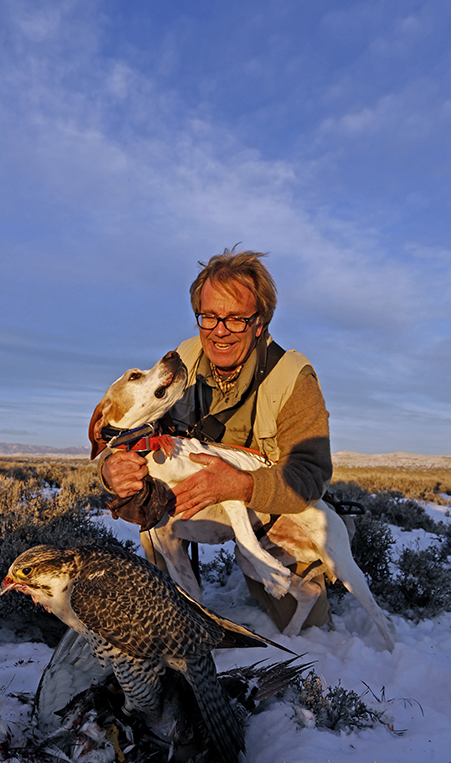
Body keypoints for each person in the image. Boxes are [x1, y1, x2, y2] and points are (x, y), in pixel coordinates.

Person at [99, 248, 333, 631]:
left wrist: (241, 484)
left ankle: (308, 559)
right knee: (151, 519)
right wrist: (113, 471)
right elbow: (132, 429)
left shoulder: (293, 378)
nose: (219, 330)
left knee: (308, 624)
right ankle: (181, 617)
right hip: (193, 505)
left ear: (260, 323)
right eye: (209, 316)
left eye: (236, 319)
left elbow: (310, 475)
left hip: (268, 511)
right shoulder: (181, 363)